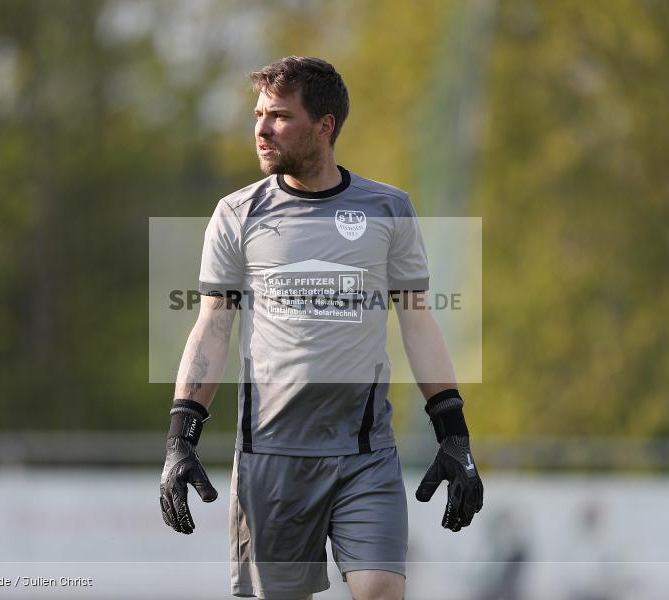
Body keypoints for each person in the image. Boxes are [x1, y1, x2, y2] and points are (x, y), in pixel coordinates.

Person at [159, 56, 484, 600]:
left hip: (365, 454)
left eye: (280, 116)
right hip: (271, 457)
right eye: (258, 115)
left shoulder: (389, 208)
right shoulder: (237, 213)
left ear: (325, 126)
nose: (262, 129)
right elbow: (212, 327)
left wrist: (454, 434)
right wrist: (180, 437)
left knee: (380, 589)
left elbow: (418, 323)